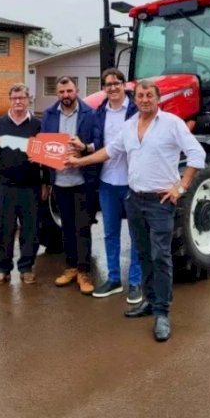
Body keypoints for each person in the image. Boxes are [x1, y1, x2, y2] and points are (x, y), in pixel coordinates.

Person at [66, 79, 205, 342]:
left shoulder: (172, 124)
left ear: (157, 98)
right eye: (140, 96)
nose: (144, 100)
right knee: (143, 253)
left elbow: (197, 155)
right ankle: (149, 302)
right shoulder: (129, 127)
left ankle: (162, 313)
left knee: (160, 255)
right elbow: (109, 152)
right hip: (135, 199)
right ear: (136, 99)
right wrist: (78, 161)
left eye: (149, 95)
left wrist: (180, 187)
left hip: (160, 202)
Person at [0, 83, 44, 286]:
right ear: (10, 100)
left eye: (22, 98)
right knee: (3, 229)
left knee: (30, 230)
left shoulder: (37, 125)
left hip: (31, 187)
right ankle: (2, 269)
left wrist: (46, 182)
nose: (18, 102)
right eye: (14, 98)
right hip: (5, 187)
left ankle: (26, 268)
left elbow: (48, 156)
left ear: (28, 100)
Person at [40, 76, 100, 295]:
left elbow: (98, 143)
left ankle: (84, 272)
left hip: (83, 181)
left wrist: (83, 147)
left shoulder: (89, 114)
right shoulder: (49, 115)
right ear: (58, 94)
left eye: (69, 91)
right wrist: (46, 181)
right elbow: (44, 148)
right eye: (62, 92)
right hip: (60, 182)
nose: (66, 95)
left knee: (82, 227)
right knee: (66, 227)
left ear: (77, 90)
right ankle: (71, 267)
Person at [91, 68, 142, 304]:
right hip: (107, 182)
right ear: (103, 87)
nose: (112, 87)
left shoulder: (136, 111)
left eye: (116, 83)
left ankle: (135, 282)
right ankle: (113, 279)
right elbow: (97, 143)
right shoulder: (99, 113)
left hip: (133, 183)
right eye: (108, 84)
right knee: (110, 233)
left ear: (124, 85)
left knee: (136, 234)